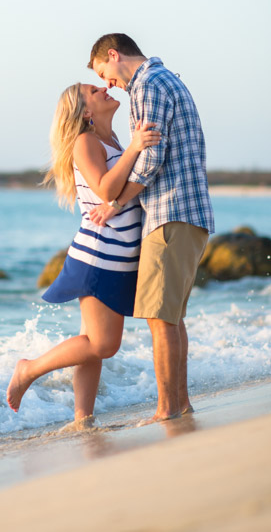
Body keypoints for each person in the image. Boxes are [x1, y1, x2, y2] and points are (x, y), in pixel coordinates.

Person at [6, 82, 160, 425]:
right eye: (94, 90)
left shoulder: (114, 141)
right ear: (86, 112)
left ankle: (82, 419)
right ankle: (29, 369)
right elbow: (106, 189)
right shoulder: (85, 142)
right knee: (104, 345)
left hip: (117, 257)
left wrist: (131, 146)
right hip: (98, 256)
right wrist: (136, 147)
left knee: (91, 342)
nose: (105, 87)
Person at [88, 32, 215, 424]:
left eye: (103, 71)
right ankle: (181, 404)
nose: (107, 82)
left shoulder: (149, 84)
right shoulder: (165, 79)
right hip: (185, 213)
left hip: (170, 211)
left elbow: (151, 159)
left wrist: (116, 202)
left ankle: (166, 409)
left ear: (114, 55)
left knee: (161, 319)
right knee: (172, 318)